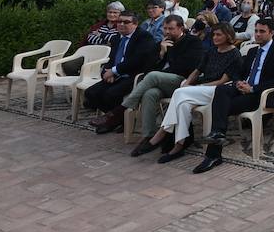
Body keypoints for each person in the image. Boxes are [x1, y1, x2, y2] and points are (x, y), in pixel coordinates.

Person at [192, 18, 274, 173]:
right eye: (256, 31)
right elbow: (239, 72)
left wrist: (253, 88)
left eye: (262, 31)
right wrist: (238, 82)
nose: (257, 34)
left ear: (271, 33)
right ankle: (217, 137)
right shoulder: (252, 51)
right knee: (221, 90)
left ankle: (213, 154)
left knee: (220, 107)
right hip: (244, 90)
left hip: (261, 95)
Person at [135, 23, 242, 160]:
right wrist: (187, 83)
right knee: (183, 104)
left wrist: (195, 87)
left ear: (228, 36)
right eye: (214, 34)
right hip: (202, 88)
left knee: (179, 93)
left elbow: (222, 81)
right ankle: (179, 145)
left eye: (219, 34)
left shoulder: (234, 54)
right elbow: (197, 70)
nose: (215, 37)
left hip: (218, 91)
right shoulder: (212, 50)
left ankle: (162, 133)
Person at [119, 14, 204, 143]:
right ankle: (148, 135)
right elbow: (147, 68)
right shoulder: (162, 43)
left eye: (171, 29)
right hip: (160, 82)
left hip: (184, 82)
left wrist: (172, 50)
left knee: (154, 75)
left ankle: (125, 106)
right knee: (149, 94)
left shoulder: (193, 42)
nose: (167, 32)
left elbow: (186, 68)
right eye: (165, 28)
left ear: (181, 28)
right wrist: (161, 53)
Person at [83, 11, 160, 134]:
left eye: (126, 22)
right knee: (91, 93)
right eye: (119, 21)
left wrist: (114, 71)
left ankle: (114, 121)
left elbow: (137, 60)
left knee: (110, 94)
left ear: (135, 24)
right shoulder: (116, 38)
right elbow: (111, 58)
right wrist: (106, 72)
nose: (121, 24)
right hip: (117, 73)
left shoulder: (144, 37)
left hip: (134, 75)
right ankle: (118, 120)